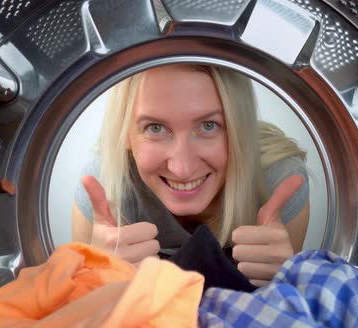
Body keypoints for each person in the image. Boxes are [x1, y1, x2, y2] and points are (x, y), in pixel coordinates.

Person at [72, 64, 310, 286]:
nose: (182, 169)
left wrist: (285, 282)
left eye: (209, 125)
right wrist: (94, 282)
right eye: (155, 128)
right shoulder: (104, 191)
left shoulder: (276, 181)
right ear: (125, 134)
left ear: (239, 127)